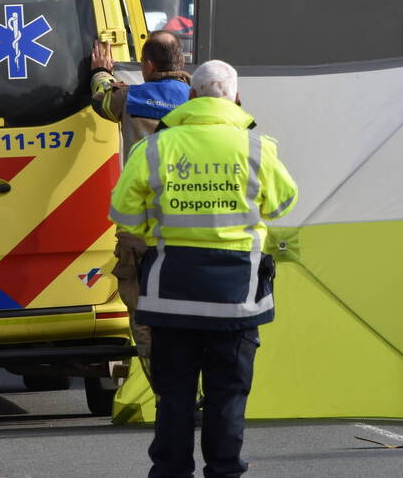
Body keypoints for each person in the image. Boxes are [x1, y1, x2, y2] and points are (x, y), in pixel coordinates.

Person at [109, 60, 297, 478]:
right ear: (236, 99)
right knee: (227, 396)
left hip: (170, 292)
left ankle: (171, 471)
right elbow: (283, 204)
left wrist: (150, 227)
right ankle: (225, 470)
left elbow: (122, 211)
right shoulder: (256, 148)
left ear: (191, 98)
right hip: (236, 297)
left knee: (174, 395)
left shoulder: (155, 148)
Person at [91, 31, 191, 375]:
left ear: (147, 65)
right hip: (189, 225)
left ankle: (165, 391)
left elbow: (101, 98)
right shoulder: (198, 99)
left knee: (143, 308)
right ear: (181, 62)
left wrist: (101, 73)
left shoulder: (130, 98)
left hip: (140, 227)